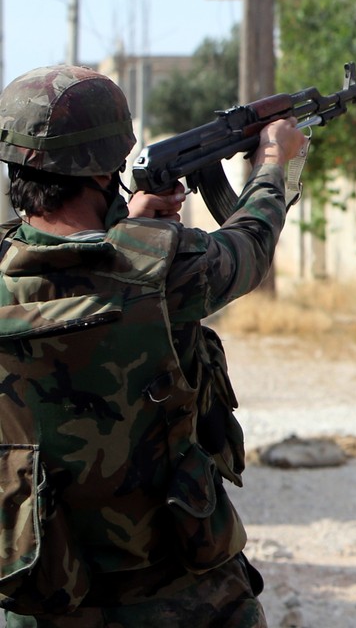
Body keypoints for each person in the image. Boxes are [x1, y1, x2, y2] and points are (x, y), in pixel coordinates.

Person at [0, 64, 307, 627]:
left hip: (39, 595)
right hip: (179, 591)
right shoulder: (166, 270)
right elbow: (250, 244)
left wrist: (127, 228)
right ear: (104, 168)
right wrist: (274, 162)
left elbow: (70, 257)